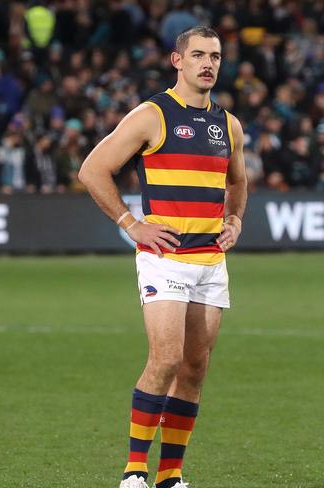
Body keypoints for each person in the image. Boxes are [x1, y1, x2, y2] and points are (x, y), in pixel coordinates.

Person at [78, 27, 247, 488]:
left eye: (214, 56)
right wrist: (132, 224)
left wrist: (234, 219)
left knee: (195, 367)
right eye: (198, 55)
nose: (207, 63)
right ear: (177, 60)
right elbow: (92, 170)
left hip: (210, 260)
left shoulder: (228, 124)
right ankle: (134, 472)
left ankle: (170, 477)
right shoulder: (152, 115)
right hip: (164, 257)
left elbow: (237, 182)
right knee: (166, 358)